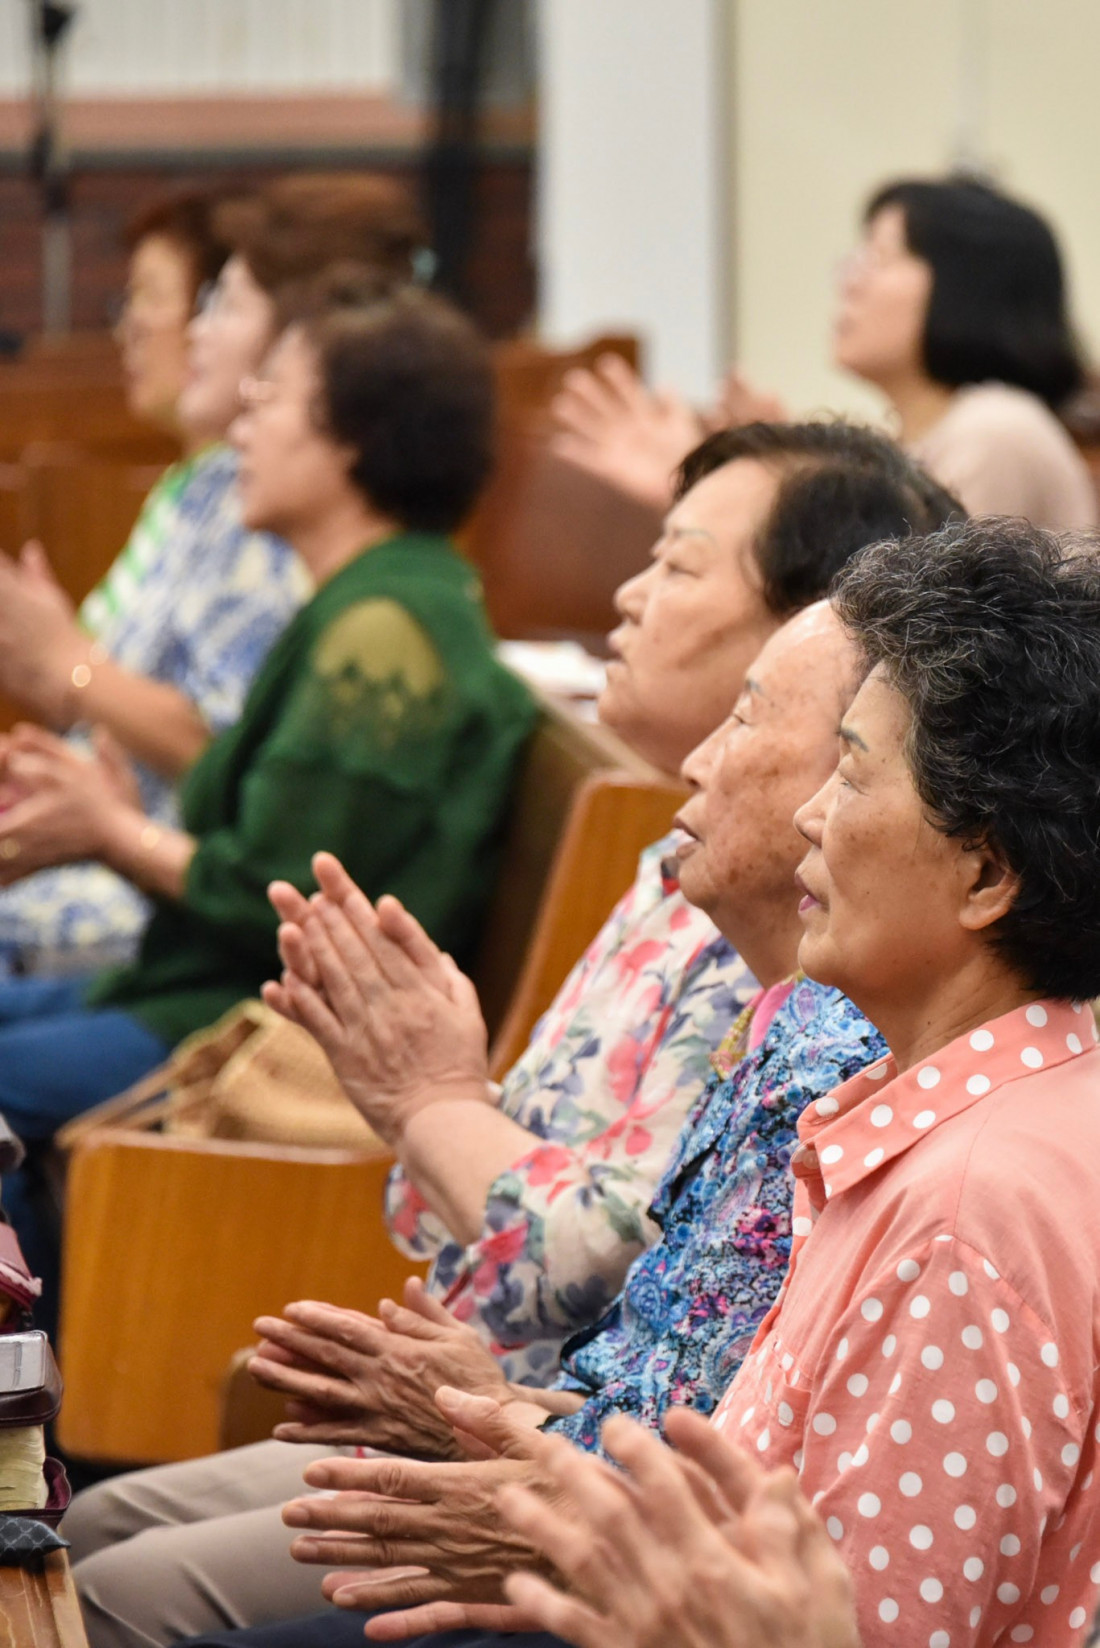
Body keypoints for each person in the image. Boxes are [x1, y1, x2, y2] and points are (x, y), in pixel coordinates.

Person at [63, 427, 958, 1648]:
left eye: (677, 566)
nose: (628, 598)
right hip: (538, 1414)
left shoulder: (830, 992)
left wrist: (430, 1100)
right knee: (92, 1535)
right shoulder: (684, 870)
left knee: (112, 1589)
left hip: (580, 1469)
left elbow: (620, 1294)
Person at [501, 519, 1100, 1648]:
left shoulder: (968, 1215)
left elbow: (868, 1627)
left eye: (853, 774)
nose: (811, 816)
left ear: (985, 872)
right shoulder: (969, 1112)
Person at [0, 280, 536, 1306]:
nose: (241, 428)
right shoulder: (367, 599)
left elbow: (281, 904)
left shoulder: (383, 631)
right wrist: (114, 812)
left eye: (270, 400)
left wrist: (114, 833)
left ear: (354, 440)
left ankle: (45, 1388)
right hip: (212, 989)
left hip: (264, 1029)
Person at [0, 172, 424, 977]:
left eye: (220, 306)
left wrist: (68, 665)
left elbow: (220, 758)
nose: (194, 331)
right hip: (125, 857)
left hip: (159, 896)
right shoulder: (212, 486)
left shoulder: (272, 517)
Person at [555, 175, 1097, 530]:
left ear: (965, 287)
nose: (849, 280)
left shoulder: (996, 431)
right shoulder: (935, 435)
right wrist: (775, 478)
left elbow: (884, 632)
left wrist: (769, 490)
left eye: (879, 257)